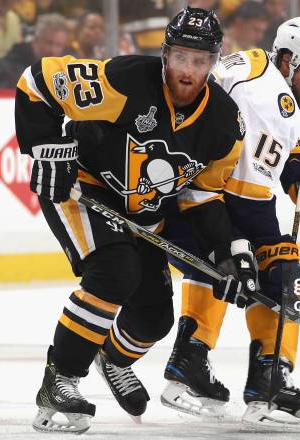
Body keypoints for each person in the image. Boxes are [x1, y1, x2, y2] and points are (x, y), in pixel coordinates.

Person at [14, 7, 255, 434]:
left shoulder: (223, 122)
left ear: (214, 62)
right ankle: (60, 381)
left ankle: (113, 357)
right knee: (114, 272)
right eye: (180, 57)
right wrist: (46, 147)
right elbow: (36, 82)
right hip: (84, 191)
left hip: (143, 213)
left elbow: (202, 195)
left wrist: (224, 254)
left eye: (200, 61)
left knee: (154, 316)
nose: (188, 70)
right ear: (164, 55)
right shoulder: (124, 81)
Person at [159, 16, 300, 429]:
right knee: (278, 269)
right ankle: (268, 389)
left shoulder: (256, 67)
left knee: (220, 266)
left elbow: (244, 138)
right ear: (290, 61)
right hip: (199, 200)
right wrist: (269, 252)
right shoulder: (268, 96)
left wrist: (294, 153)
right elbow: (243, 195)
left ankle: (189, 366)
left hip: (175, 189)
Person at [0, 13, 69, 87]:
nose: (53, 50)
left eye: (58, 45)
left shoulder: (66, 66)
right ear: (36, 40)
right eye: (49, 43)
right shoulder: (14, 61)